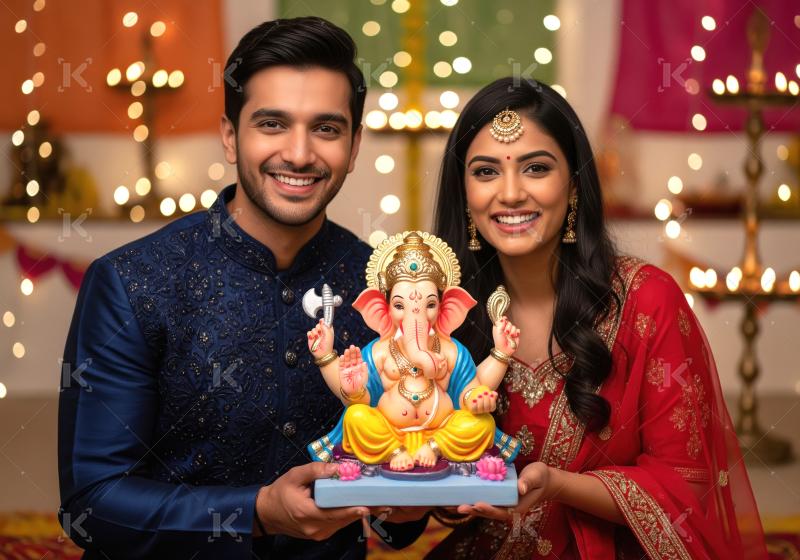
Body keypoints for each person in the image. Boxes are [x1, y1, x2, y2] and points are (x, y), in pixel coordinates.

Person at [58, 16, 427, 559]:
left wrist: (405, 508)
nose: (299, 154)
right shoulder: (133, 281)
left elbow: (393, 517)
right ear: (230, 137)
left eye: (326, 129)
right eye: (272, 124)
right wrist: (254, 512)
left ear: (353, 147)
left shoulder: (383, 287)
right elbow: (92, 506)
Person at [426, 78, 768, 559]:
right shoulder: (440, 310)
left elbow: (686, 485)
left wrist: (559, 485)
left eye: (536, 168)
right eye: (485, 172)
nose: (511, 193)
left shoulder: (647, 301)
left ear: (574, 185)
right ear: (463, 193)